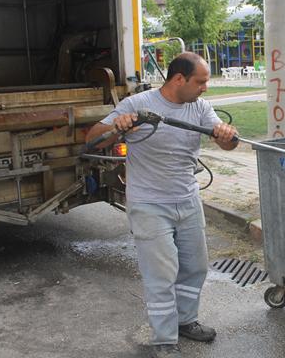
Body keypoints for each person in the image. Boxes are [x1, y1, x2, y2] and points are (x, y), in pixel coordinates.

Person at [86, 52, 238, 358]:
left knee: (194, 268)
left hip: (188, 199)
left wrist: (227, 136)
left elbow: (227, 142)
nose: (205, 88)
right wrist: (118, 126)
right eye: (201, 81)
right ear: (179, 79)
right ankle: (164, 339)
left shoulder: (199, 107)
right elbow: (91, 140)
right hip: (149, 204)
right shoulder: (136, 105)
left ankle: (185, 321)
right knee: (161, 274)